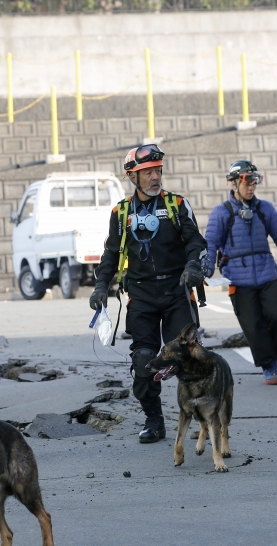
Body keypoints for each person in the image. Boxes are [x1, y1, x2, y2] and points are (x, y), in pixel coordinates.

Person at [90, 145, 207, 444]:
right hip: (141, 296)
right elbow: (111, 254)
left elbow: (196, 242)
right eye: (148, 173)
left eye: (158, 171)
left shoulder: (177, 205)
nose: (155, 177)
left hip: (177, 291)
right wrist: (102, 286)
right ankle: (154, 420)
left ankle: (205, 417)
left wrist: (194, 265)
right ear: (132, 176)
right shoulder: (121, 212)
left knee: (187, 357)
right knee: (143, 361)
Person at [204, 160, 277, 385]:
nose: (251, 187)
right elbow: (210, 244)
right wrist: (207, 268)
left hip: (267, 274)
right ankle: (269, 366)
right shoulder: (221, 213)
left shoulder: (264, 209)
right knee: (253, 326)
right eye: (246, 182)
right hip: (239, 279)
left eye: (254, 182)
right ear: (233, 183)